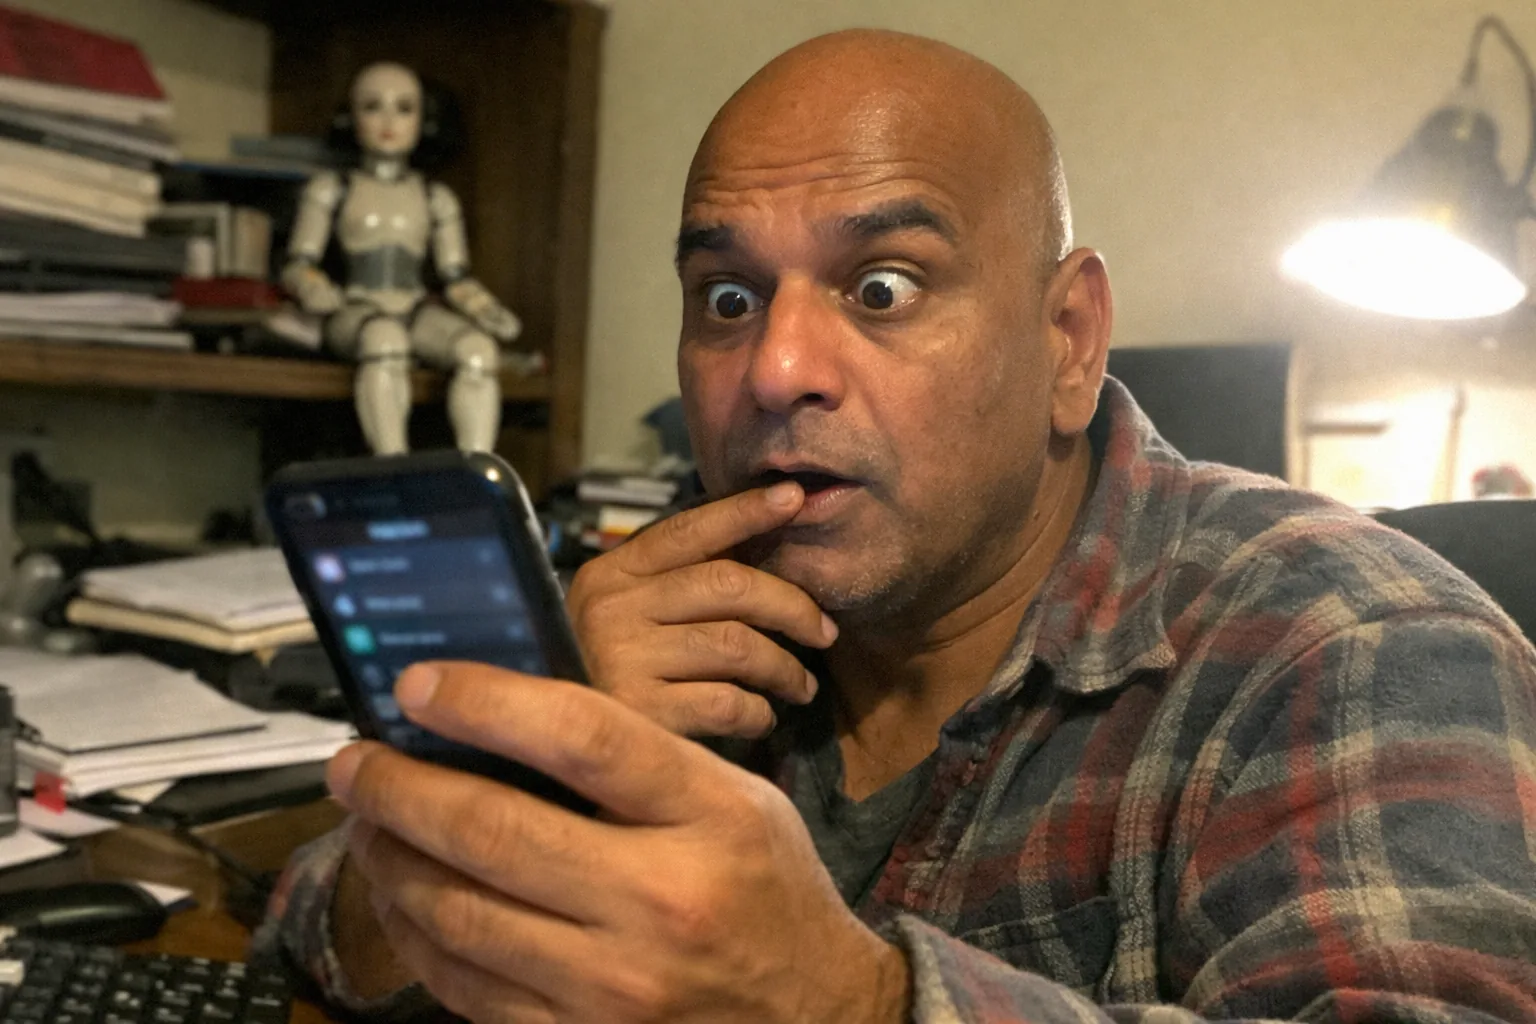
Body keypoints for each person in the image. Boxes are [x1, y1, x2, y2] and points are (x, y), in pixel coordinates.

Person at [254, 29, 1536, 1023]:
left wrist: (846, 1002)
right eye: (727, 296)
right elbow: (310, 929)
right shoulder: (685, 592)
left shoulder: (1358, 647)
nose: (774, 368)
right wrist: (519, 777)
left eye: (882, 285)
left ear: (1068, 341)